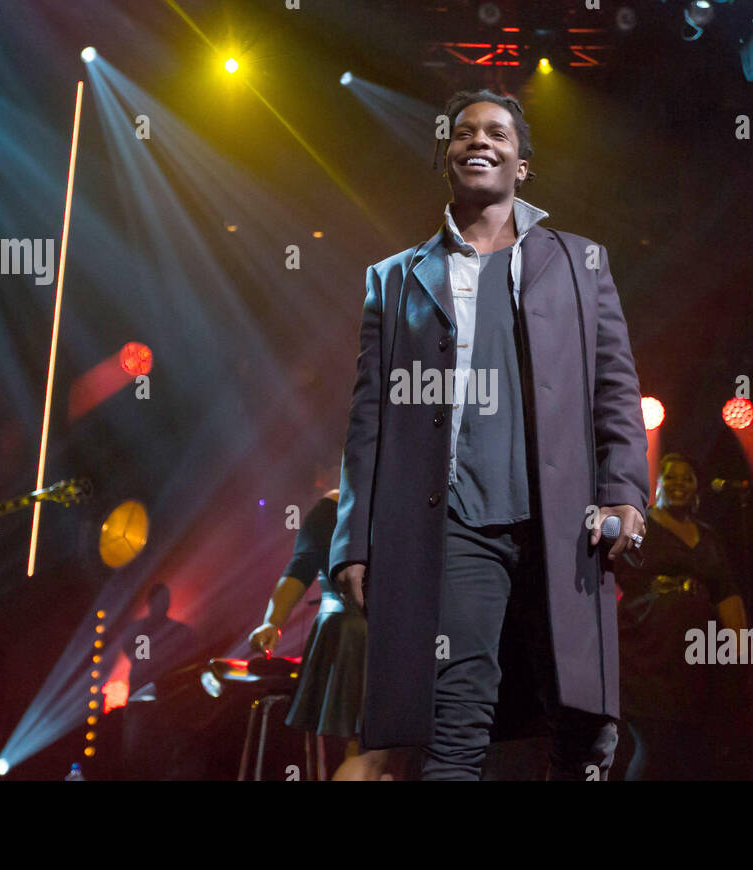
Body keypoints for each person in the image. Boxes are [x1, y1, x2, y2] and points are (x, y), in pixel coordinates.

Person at [329, 89, 650, 780]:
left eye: (498, 132)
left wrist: (625, 492)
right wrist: (352, 541)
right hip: (455, 524)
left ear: (522, 163)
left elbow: (616, 390)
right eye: (464, 131)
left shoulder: (579, 263)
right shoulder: (394, 281)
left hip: (563, 522)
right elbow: (369, 422)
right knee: (454, 721)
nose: (480, 140)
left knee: (584, 721)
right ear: (446, 156)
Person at [249, 489, 399, 780]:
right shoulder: (335, 507)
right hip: (364, 633)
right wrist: (273, 621)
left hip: (365, 631)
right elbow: (301, 567)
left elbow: (300, 565)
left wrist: (273, 621)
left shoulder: (357, 504)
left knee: (377, 759)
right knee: (369, 755)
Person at [615, 452, 748, 780]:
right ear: (657, 484)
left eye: (686, 478)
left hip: (697, 659)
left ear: (697, 487)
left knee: (693, 750)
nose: (679, 484)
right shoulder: (641, 527)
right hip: (647, 656)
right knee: (655, 746)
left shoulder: (708, 535)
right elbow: (613, 577)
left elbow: (726, 591)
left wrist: (742, 649)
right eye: (670, 477)